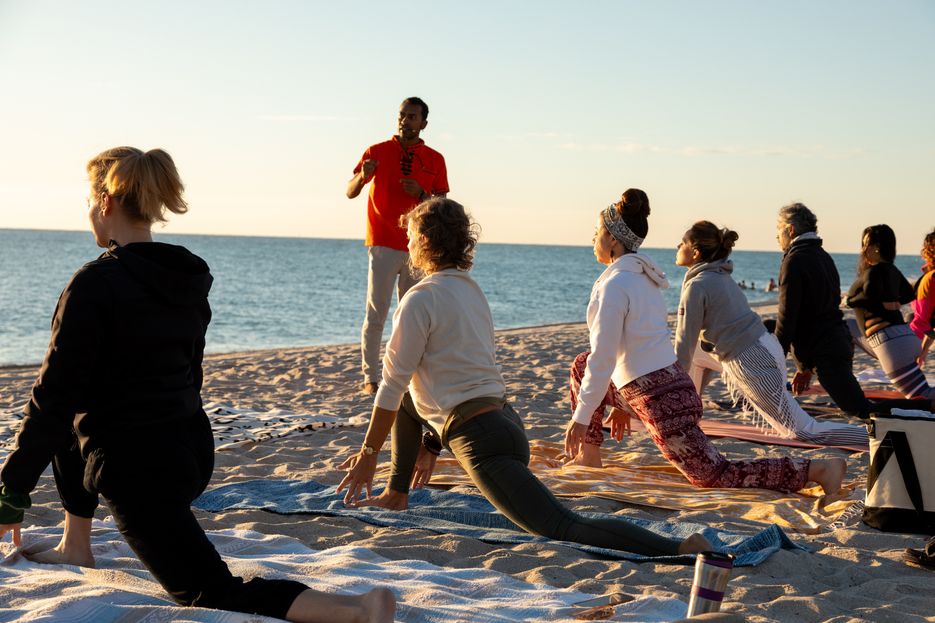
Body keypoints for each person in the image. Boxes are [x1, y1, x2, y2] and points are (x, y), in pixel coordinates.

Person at [0, 147, 394, 623]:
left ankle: (360, 610)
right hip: (190, 451)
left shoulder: (92, 284)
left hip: (138, 470)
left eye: (89, 201)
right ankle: (75, 545)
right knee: (77, 414)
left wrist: (11, 492)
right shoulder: (185, 276)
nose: (88, 213)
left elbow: (50, 398)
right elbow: (188, 374)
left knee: (205, 591)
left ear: (105, 203)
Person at [337, 197, 712, 558]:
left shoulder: (417, 300)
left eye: (409, 235)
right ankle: (396, 493)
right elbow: (444, 382)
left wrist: (369, 454)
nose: (405, 242)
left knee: (562, 526)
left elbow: (389, 385)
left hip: (482, 441)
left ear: (422, 241)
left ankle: (678, 548)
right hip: (505, 423)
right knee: (407, 397)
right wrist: (432, 443)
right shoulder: (470, 291)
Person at [564, 191, 846, 495]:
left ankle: (817, 469)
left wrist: (581, 420)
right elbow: (630, 348)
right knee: (582, 363)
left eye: (596, 233)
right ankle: (589, 456)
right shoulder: (642, 279)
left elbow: (605, 356)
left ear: (614, 241)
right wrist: (619, 404)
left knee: (712, 475)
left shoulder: (615, 286)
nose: (593, 239)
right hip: (660, 386)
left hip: (660, 400)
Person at [673, 221, 867, 446]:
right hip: (763, 346)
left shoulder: (697, 285)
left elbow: (683, 342)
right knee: (697, 356)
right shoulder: (718, 275)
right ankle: (687, 419)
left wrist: (671, 387)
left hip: (752, 360)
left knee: (803, 431)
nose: (678, 246)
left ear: (695, 252)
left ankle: (877, 438)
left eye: (682, 243)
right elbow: (695, 346)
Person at [346, 97, 449, 395]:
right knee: (376, 312)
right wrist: (363, 177)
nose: (405, 120)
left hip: (419, 246)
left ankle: (405, 373)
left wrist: (422, 193)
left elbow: (441, 205)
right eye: (402, 115)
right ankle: (370, 377)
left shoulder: (435, 159)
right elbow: (350, 191)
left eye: (412, 116)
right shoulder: (377, 151)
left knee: (411, 313)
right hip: (382, 243)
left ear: (423, 123)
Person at [845, 224, 935, 400]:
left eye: (866, 245)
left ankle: (843, 380)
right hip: (904, 336)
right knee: (843, 326)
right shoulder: (893, 270)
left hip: (891, 342)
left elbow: (871, 294)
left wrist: (849, 301)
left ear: (877, 247)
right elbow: (909, 294)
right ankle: (845, 381)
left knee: (923, 396)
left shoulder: (872, 271)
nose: (863, 250)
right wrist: (892, 303)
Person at [909, 228, 935, 370]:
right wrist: (923, 351)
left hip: (914, 337)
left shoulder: (931, 278)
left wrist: (918, 349)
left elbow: (923, 320)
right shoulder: (929, 276)